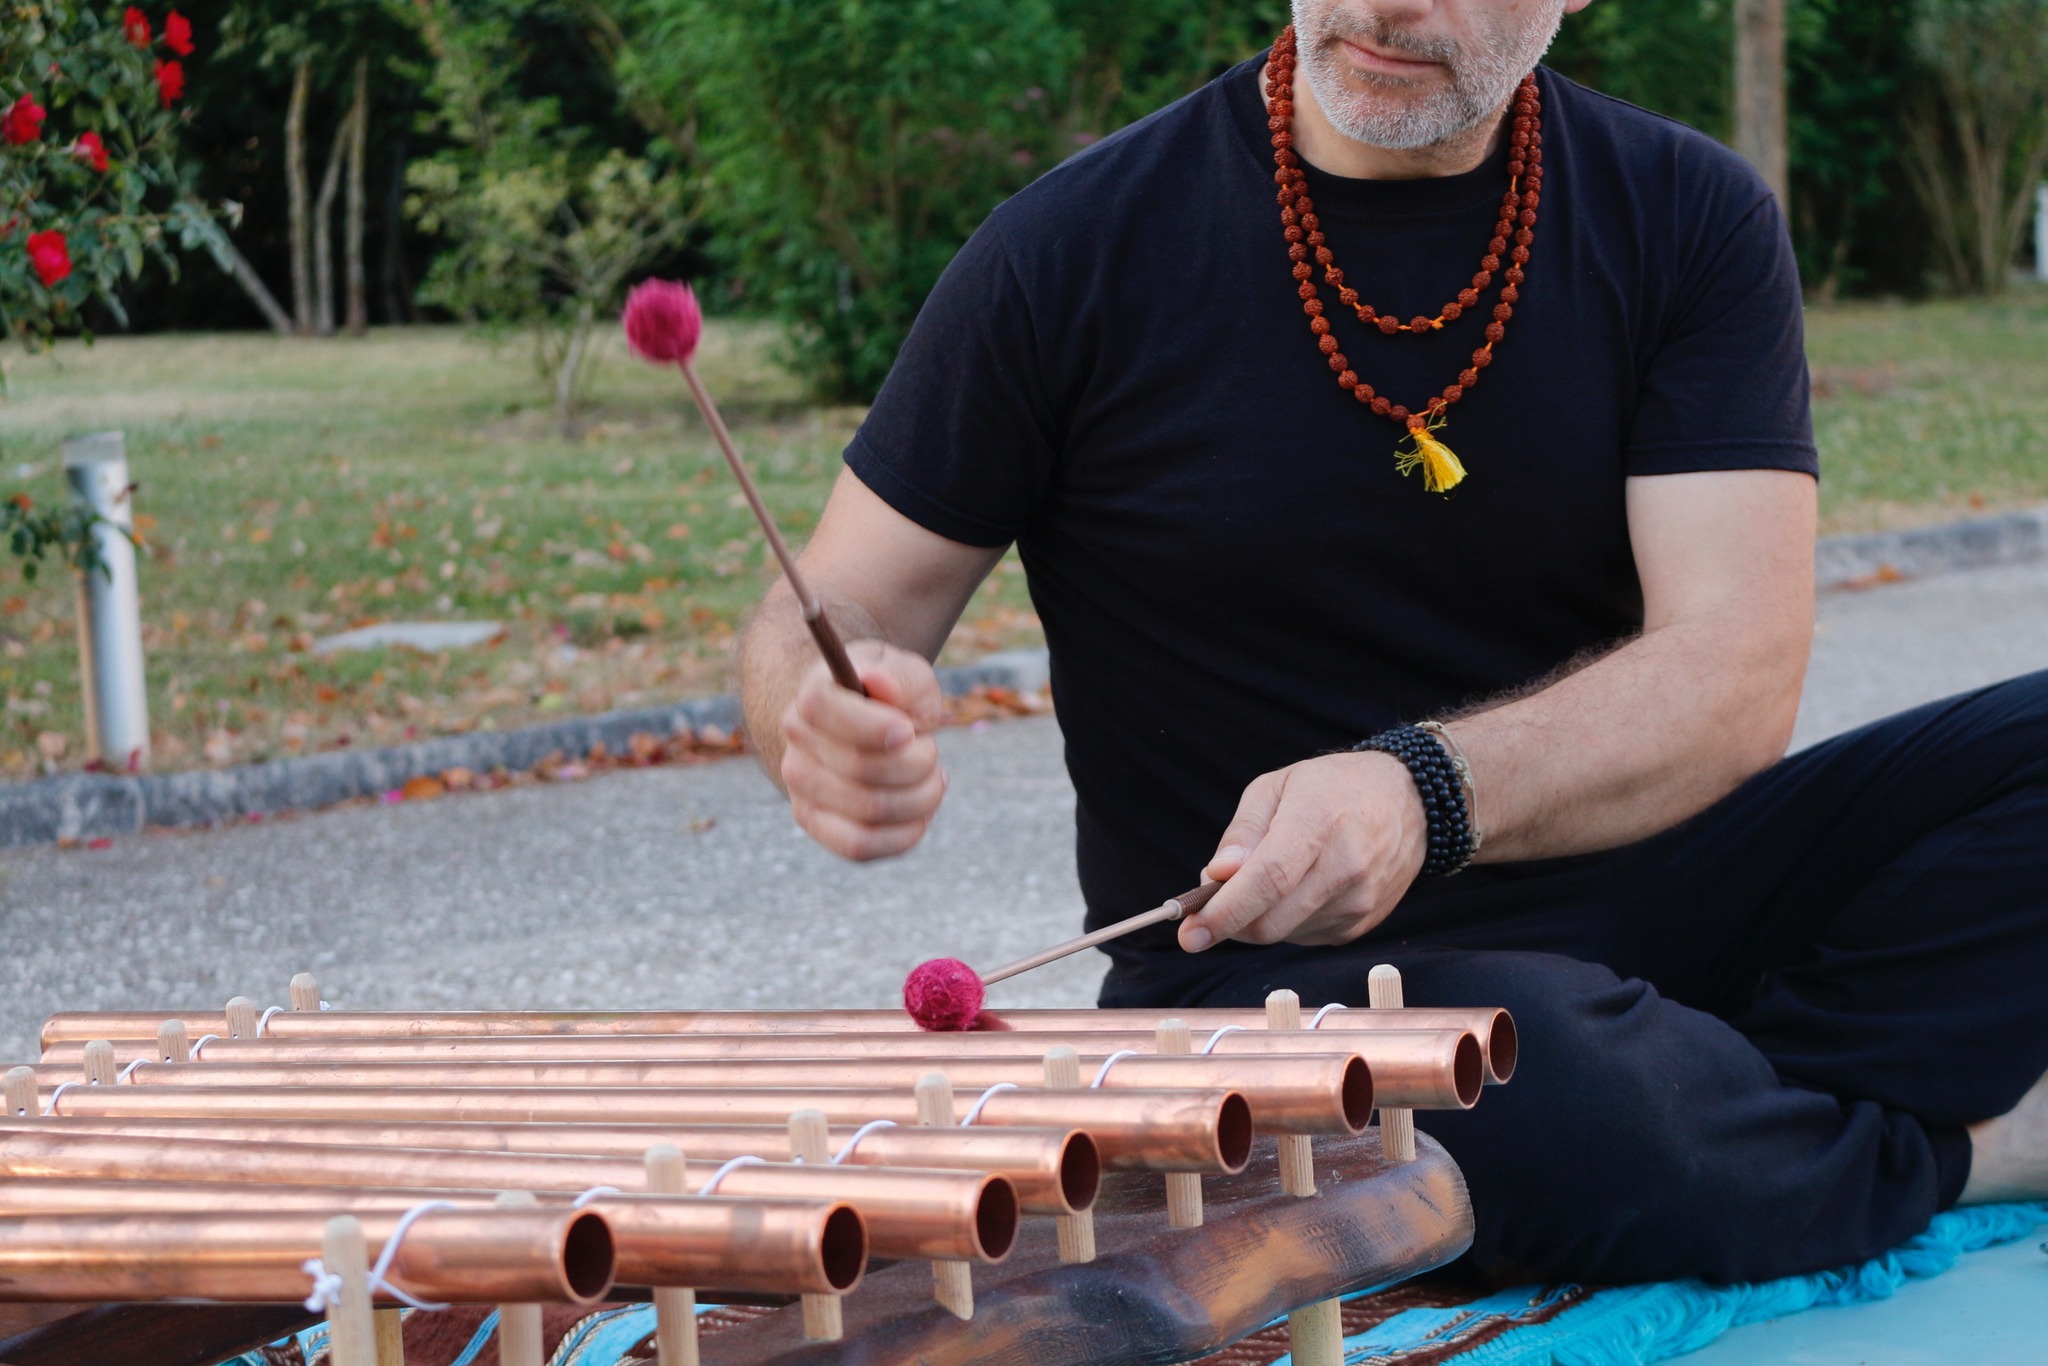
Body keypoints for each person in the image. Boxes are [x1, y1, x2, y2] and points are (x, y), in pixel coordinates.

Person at [738, 0, 2048, 1284]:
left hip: (1662, 898)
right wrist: (823, 708)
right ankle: (1962, 1140)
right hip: (1263, 991)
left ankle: (1716, 1098)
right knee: (1563, 1084)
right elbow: (836, 608)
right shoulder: (1068, 251)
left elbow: (1737, 672)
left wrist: (1424, 789)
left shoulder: (1691, 215)